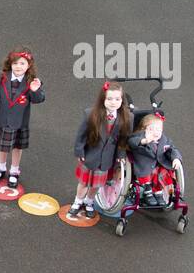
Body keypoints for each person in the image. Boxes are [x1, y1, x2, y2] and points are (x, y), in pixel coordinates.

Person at [70, 81, 132, 219]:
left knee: (96, 184)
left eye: (117, 99)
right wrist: (79, 151)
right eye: (109, 99)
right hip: (90, 155)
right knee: (84, 182)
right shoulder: (91, 114)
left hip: (106, 159)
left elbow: (123, 139)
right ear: (103, 99)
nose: (113, 102)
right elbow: (81, 135)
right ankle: (77, 201)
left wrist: (121, 155)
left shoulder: (125, 118)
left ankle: (89, 202)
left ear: (122, 100)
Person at [0, 48, 44, 189]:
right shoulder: (1, 76)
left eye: (22, 64)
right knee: (3, 146)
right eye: (15, 63)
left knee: (17, 147)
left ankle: (14, 171)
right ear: (10, 64)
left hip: (20, 121)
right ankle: (1, 168)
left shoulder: (32, 81)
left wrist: (35, 91)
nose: (18, 67)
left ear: (28, 66)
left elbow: (38, 99)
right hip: (3, 118)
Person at [127, 112, 180, 205]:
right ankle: (148, 192)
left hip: (159, 165)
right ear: (144, 129)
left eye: (159, 129)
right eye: (151, 129)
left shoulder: (165, 140)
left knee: (162, 172)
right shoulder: (140, 137)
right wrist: (144, 141)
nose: (156, 132)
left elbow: (172, 149)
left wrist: (176, 158)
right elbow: (132, 141)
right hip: (144, 165)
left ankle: (158, 192)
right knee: (149, 173)